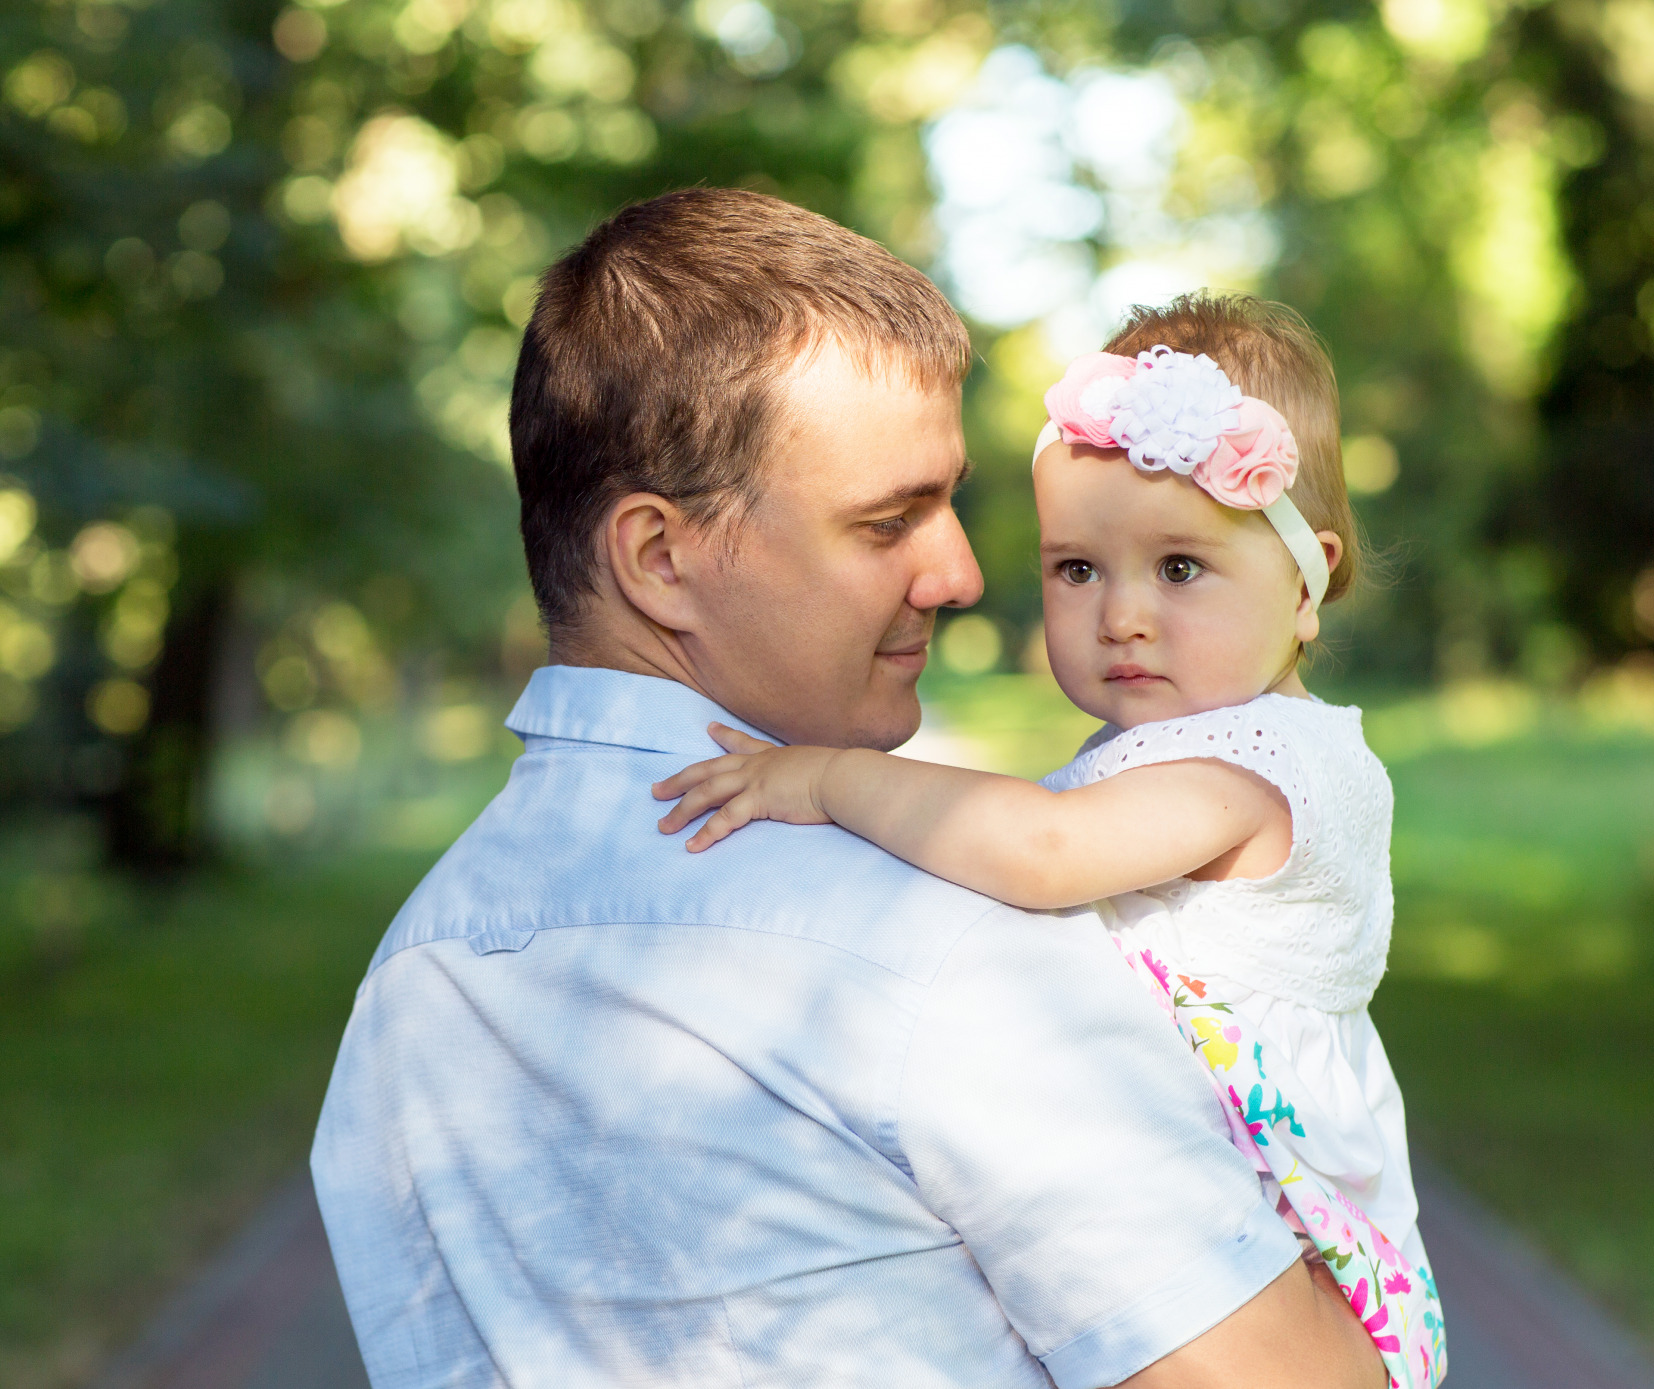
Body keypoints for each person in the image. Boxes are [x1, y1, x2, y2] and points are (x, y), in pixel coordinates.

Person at [311, 191, 1384, 1388]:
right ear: (660, 559)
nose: (963, 574)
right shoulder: (947, 948)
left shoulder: (410, 985)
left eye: (951, 504)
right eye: (888, 524)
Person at [654, 294, 1445, 1385]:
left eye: (1179, 569)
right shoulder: (1190, 743)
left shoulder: (1259, 765)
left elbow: (1039, 854)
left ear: (1305, 583)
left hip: (1286, 1254)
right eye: (1079, 569)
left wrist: (834, 780)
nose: (1122, 615)